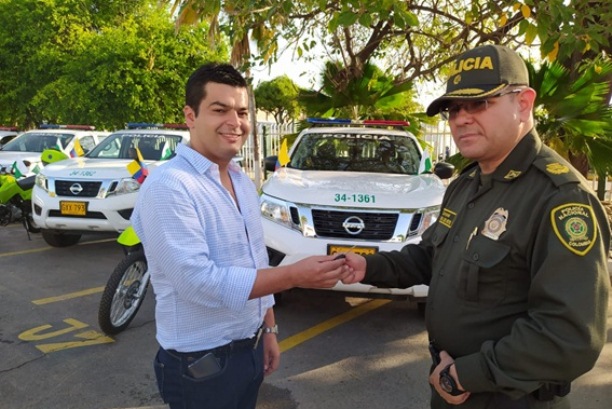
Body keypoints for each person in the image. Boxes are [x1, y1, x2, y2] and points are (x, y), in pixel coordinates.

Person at [342, 44, 610, 409]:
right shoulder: (466, 184)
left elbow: (568, 336)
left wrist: (466, 375)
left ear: (524, 103)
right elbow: (431, 257)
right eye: (454, 109)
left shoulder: (560, 198)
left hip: (509, 398)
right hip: (452, 388)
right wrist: (368, 266)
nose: (461, 119)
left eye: (479, 103)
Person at [131, 63, 349, 409]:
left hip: (249, 347)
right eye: (220, 110)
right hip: (200, 364)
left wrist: (269, 329)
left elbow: (255, 259)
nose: (235, 122)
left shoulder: (242, 182)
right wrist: (294, 275)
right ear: (190, 116)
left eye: (243, 112)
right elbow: (198, 283)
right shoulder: (169, 186)